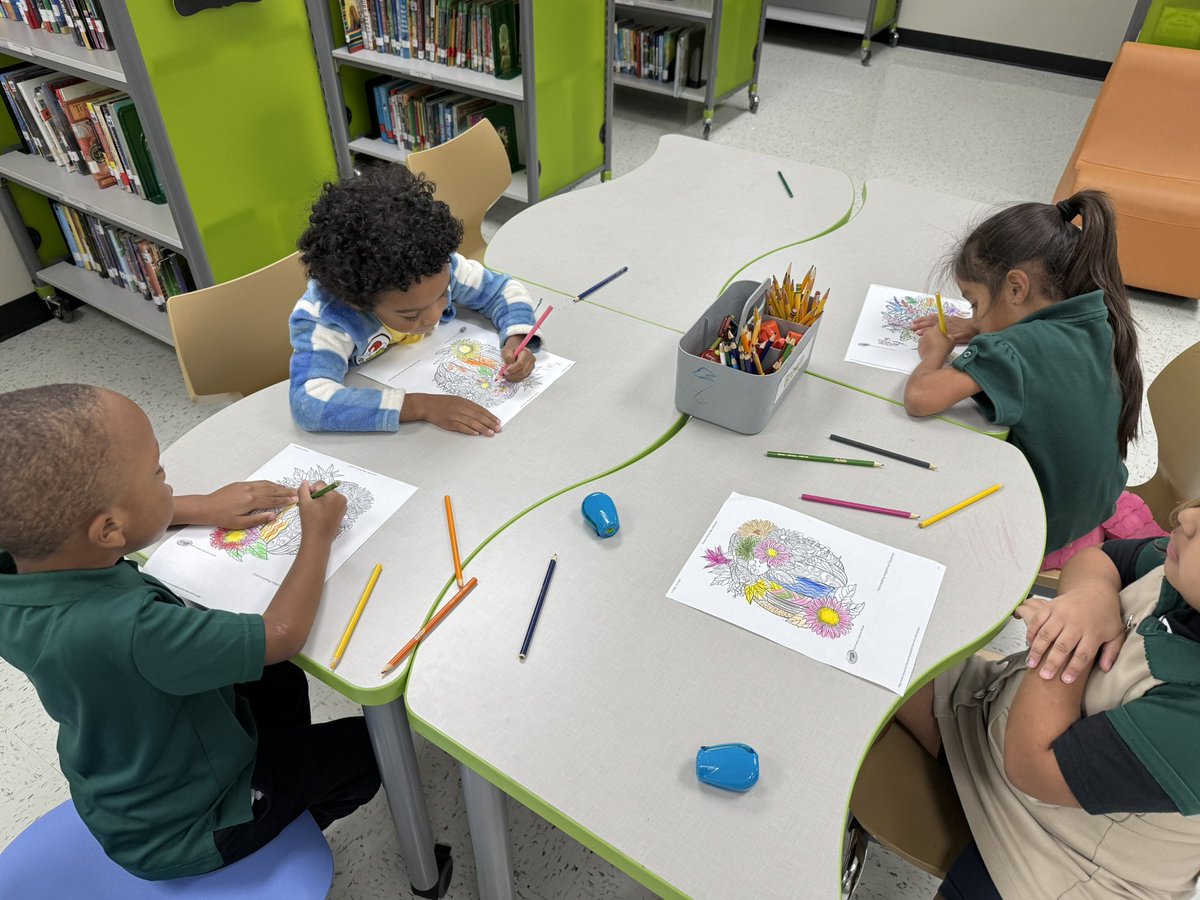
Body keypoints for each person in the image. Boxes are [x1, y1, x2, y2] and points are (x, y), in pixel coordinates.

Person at [0, 384, 380, 879]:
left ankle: (278, 768)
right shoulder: (131, 627)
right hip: (196, 819)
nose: (167, 482)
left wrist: (197, 507)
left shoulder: (19, 563)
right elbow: (283, 634)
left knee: (280, 679)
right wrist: (319, 535)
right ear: (109, 531)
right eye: (157, 474)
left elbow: (96, 525)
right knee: (371, 750)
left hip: (132, 778)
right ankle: (282, 827)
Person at [889, 498, 1200, 899]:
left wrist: (1065, 640)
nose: (1187, 516)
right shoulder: (1181, 567)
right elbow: (1101, 558)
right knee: (870, 654)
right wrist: (1089, 597)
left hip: (1064, 863)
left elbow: (1031, 768)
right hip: (992, 716)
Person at [904, 190, 1161, 567]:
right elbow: (1040, 347)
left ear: (1016, 288)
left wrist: (935, 352)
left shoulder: (1011, 350)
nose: (974, 315)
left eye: (975, 303)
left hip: (1045, 532)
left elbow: (921, 398)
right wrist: (980, 325)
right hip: (1095, 506)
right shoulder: (1096, 315)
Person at [290, 163, 539, 435]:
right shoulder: (328, 319)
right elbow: (309, 403)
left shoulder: (433, 267)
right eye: (411, 315)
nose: (434, 317)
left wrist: (516, 338)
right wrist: (419, 406)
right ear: (358, 302)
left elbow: (505, 291)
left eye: (443, 295)